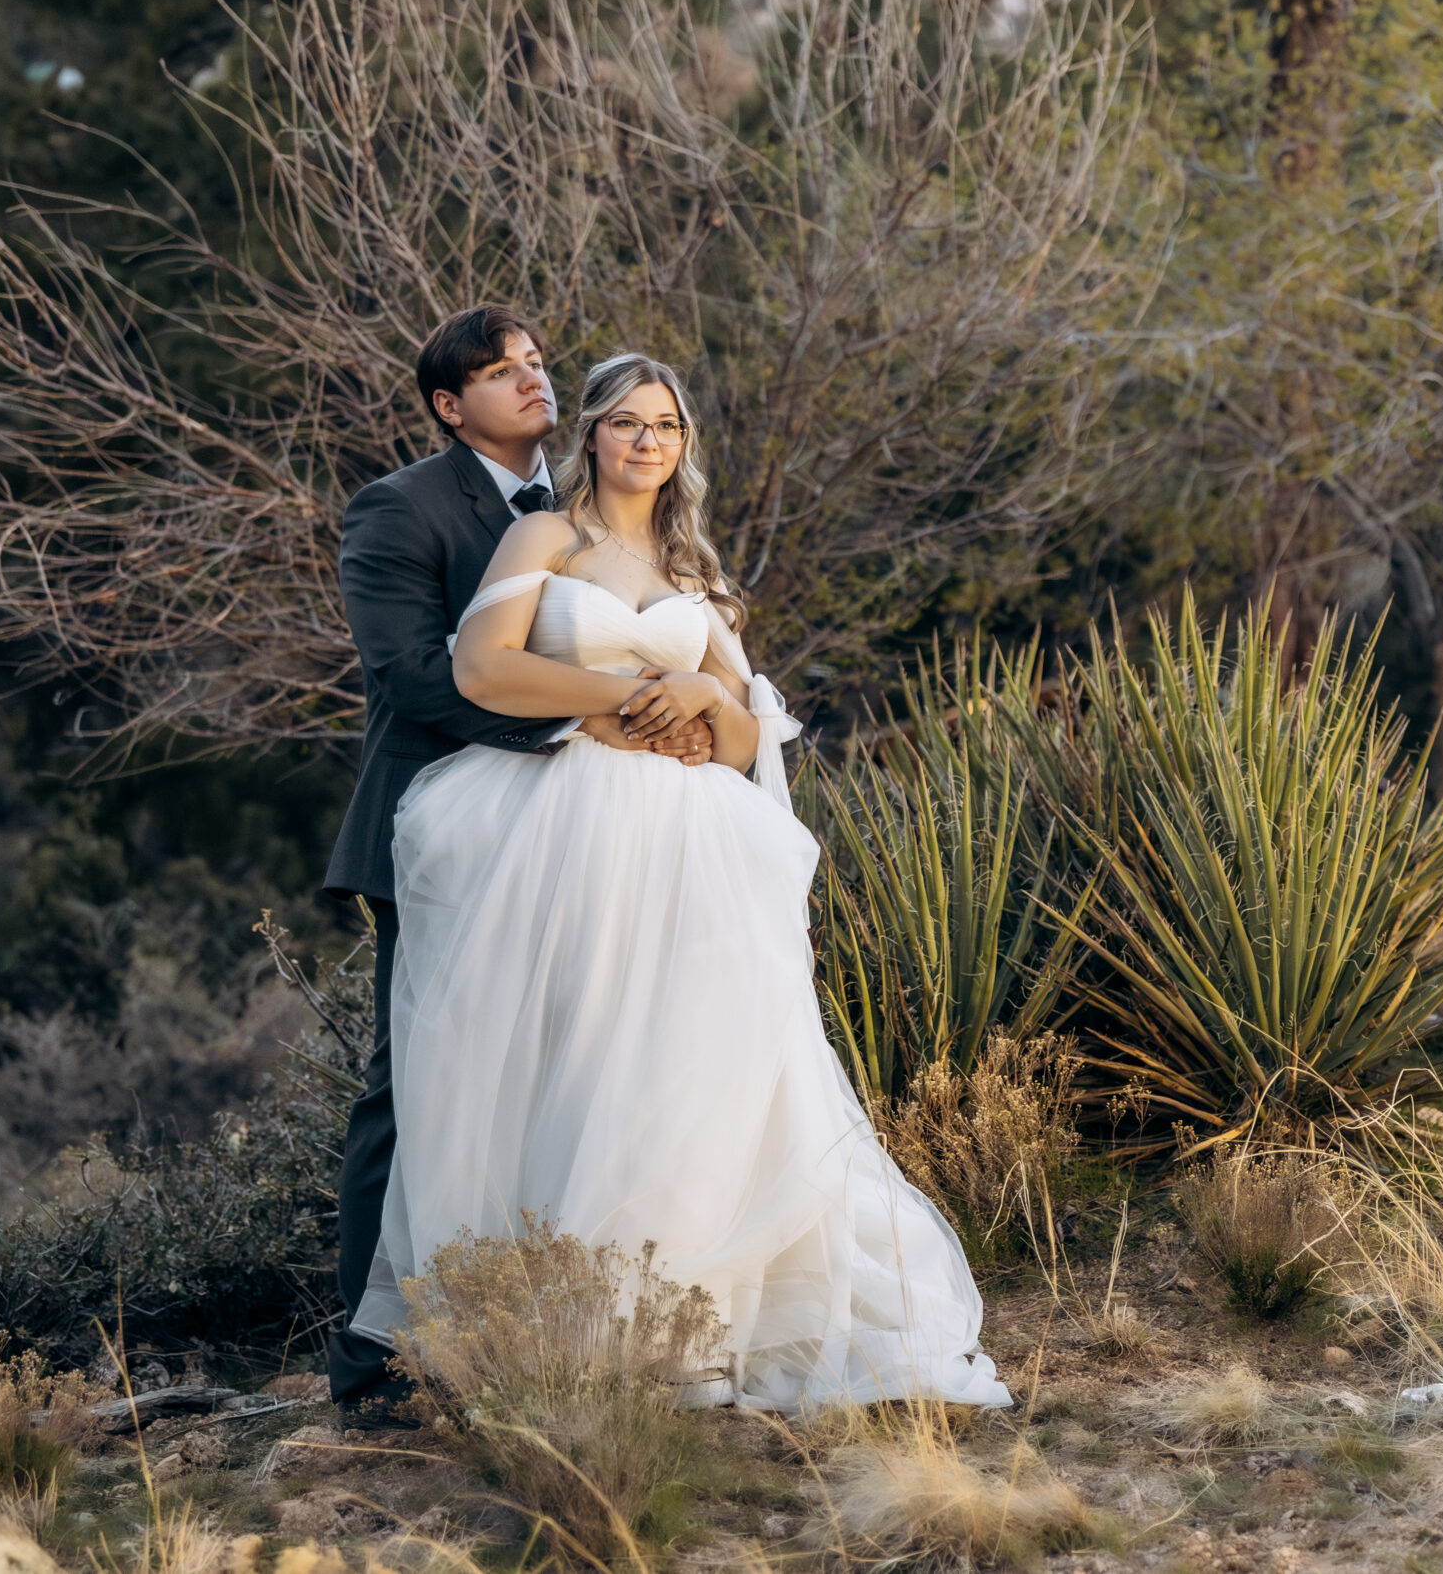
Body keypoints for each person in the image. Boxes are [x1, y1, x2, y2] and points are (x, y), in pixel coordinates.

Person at [348, 352, 1013, 1415]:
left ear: (683, 445)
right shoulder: (546, 537)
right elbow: (481, 668)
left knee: (685, 1069)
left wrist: (705, 693)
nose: (647, 440)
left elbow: (750, 738)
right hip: (568, 824)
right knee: (576, 1058)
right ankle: (557, 1324)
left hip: (689, 844)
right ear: (593, 434)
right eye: (626, 421)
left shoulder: (696, 571)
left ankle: (682, 1326)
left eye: (666, 425)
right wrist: (616, 698)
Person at [322, 308, 713, 1419]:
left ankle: (533, 1329)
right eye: (500, 372)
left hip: (593, 839)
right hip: (446, 832)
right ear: (451, 407)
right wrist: (595, 715)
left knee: (570, 1073)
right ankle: (376, 1365)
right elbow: (412, 674)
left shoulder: (596, 505)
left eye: (537, 363)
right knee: (417, 1085)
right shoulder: (401, 508)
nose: (531, 380)